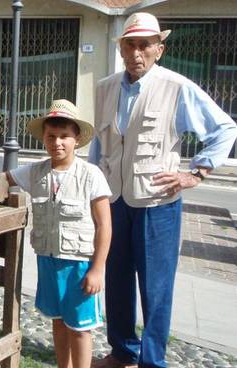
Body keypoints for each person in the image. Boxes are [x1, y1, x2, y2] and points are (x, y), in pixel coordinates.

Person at [89, 13, 237, 368]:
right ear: (121, 48)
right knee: (117, 279)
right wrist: (93, 189)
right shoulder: (105, 87)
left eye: (145, 45)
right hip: (114, 200)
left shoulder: (176, 87)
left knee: (156, 289)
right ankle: (123, 350)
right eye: (130, 44)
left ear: (159, 49)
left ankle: (152, 361)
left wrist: (196, 173)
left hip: (158, 204)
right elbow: (99, 144)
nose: (136, 52)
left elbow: (224, 128)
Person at [0, 100, 112, 368]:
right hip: (48, 261)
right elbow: (4, 178)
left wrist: (98, 268)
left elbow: (105, 225)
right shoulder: (35, 171)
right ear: (44, 138)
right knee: (58, 322)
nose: (57, 142)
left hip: (80, 265)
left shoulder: (91, 175)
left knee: (80, 328)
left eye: (64, 137)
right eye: (51, 136)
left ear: (77, 139)